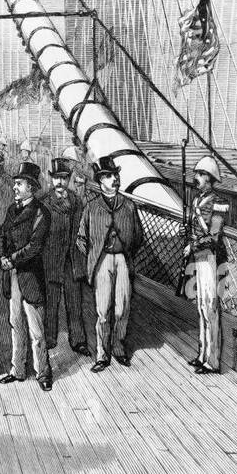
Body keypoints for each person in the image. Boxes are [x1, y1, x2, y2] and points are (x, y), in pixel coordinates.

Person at [76, 155, 144, 372]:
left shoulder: (129, 206)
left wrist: (125, 254)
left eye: (115, 175)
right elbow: (81, 238)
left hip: (123, 259)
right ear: (100, 180)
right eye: (108, 176)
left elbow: (139, 237)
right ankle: (102, 355)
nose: (114, 179)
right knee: (103, 311)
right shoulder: (92, 207)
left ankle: (118, 348)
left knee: (122, 308)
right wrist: (94, 258)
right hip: (101, 261)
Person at [0, 161, 53, 390]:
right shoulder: (12, 210)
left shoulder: (41, 212)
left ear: (31, 187)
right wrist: (2, 256)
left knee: (37, 331)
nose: (15, 188)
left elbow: (35, 246)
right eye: (15, 184)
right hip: (13, 275)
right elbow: (1, 236)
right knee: (15, 324)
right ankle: (18, 370)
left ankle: (43, 373)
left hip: (30, 276)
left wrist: (11, 259)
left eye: (19, 184)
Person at [41, 157, 92, 357]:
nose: (60, 182)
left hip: (71, 260)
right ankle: (50, 338)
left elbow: (81, 228)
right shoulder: (44, 202)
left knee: (74, 303)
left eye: (63, 178)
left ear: (68, 178)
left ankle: (78, 340)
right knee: (51, 301)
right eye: (56, 178)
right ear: (51, 179)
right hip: (52, 259)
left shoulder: (76, 201)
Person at [184, 154, 229, 374]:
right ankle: (202, 355)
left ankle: (212, 361)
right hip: (199, 258)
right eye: (196, 173)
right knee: (201, 307)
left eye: (201, 174)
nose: (197, 177)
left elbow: (214, 235)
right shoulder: (196, 200)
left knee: (210, 308)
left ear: (210, 179)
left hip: (211, 258)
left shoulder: (220, 203)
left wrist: (192, 246)